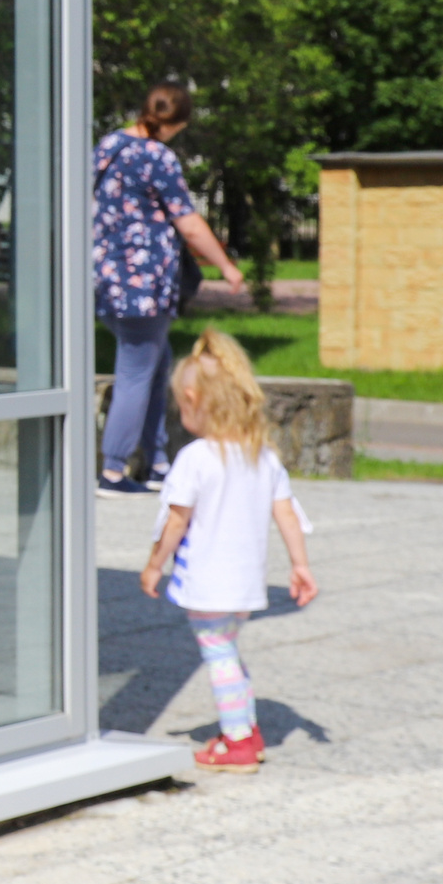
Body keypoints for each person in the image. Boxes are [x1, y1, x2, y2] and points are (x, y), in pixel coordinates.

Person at [139, 328, 318, 773]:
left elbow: (176, 521)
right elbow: (288, 516)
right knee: (228, 652)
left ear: (195, 398)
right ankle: (245, 730)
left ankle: (238, 741)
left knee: (218, 657)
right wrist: (300, 566)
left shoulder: (196, 458)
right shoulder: (264, 456)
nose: (182, 415)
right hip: (244, 584)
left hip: (208, 582)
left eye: (182, 406)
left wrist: (153, 564)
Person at [92, 83, 242, 497]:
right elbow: (188, 223)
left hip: (108, 281)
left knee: (157, 369)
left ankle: (158, 463)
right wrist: (226, 266)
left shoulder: (108, 146)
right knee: (137, 373)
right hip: (144, 287)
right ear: (178, 123)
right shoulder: (157, 156)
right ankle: (113, 470)